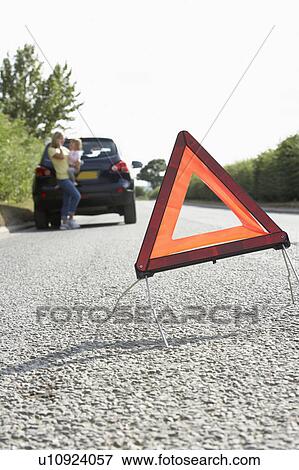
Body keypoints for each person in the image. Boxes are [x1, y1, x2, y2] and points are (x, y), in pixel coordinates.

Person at [48, 131, 81, 230]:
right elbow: (61, 157)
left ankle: (64, 222)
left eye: (63, 139)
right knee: (77, 196)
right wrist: (59, 147)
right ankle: (71, 218)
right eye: (60, 139)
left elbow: (70, 161)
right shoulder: (52, 150)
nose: (62, 141)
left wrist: (77, 164)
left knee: (67, 200)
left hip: (69, 177)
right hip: (62, 178)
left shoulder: (65, 149)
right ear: (56, 139)